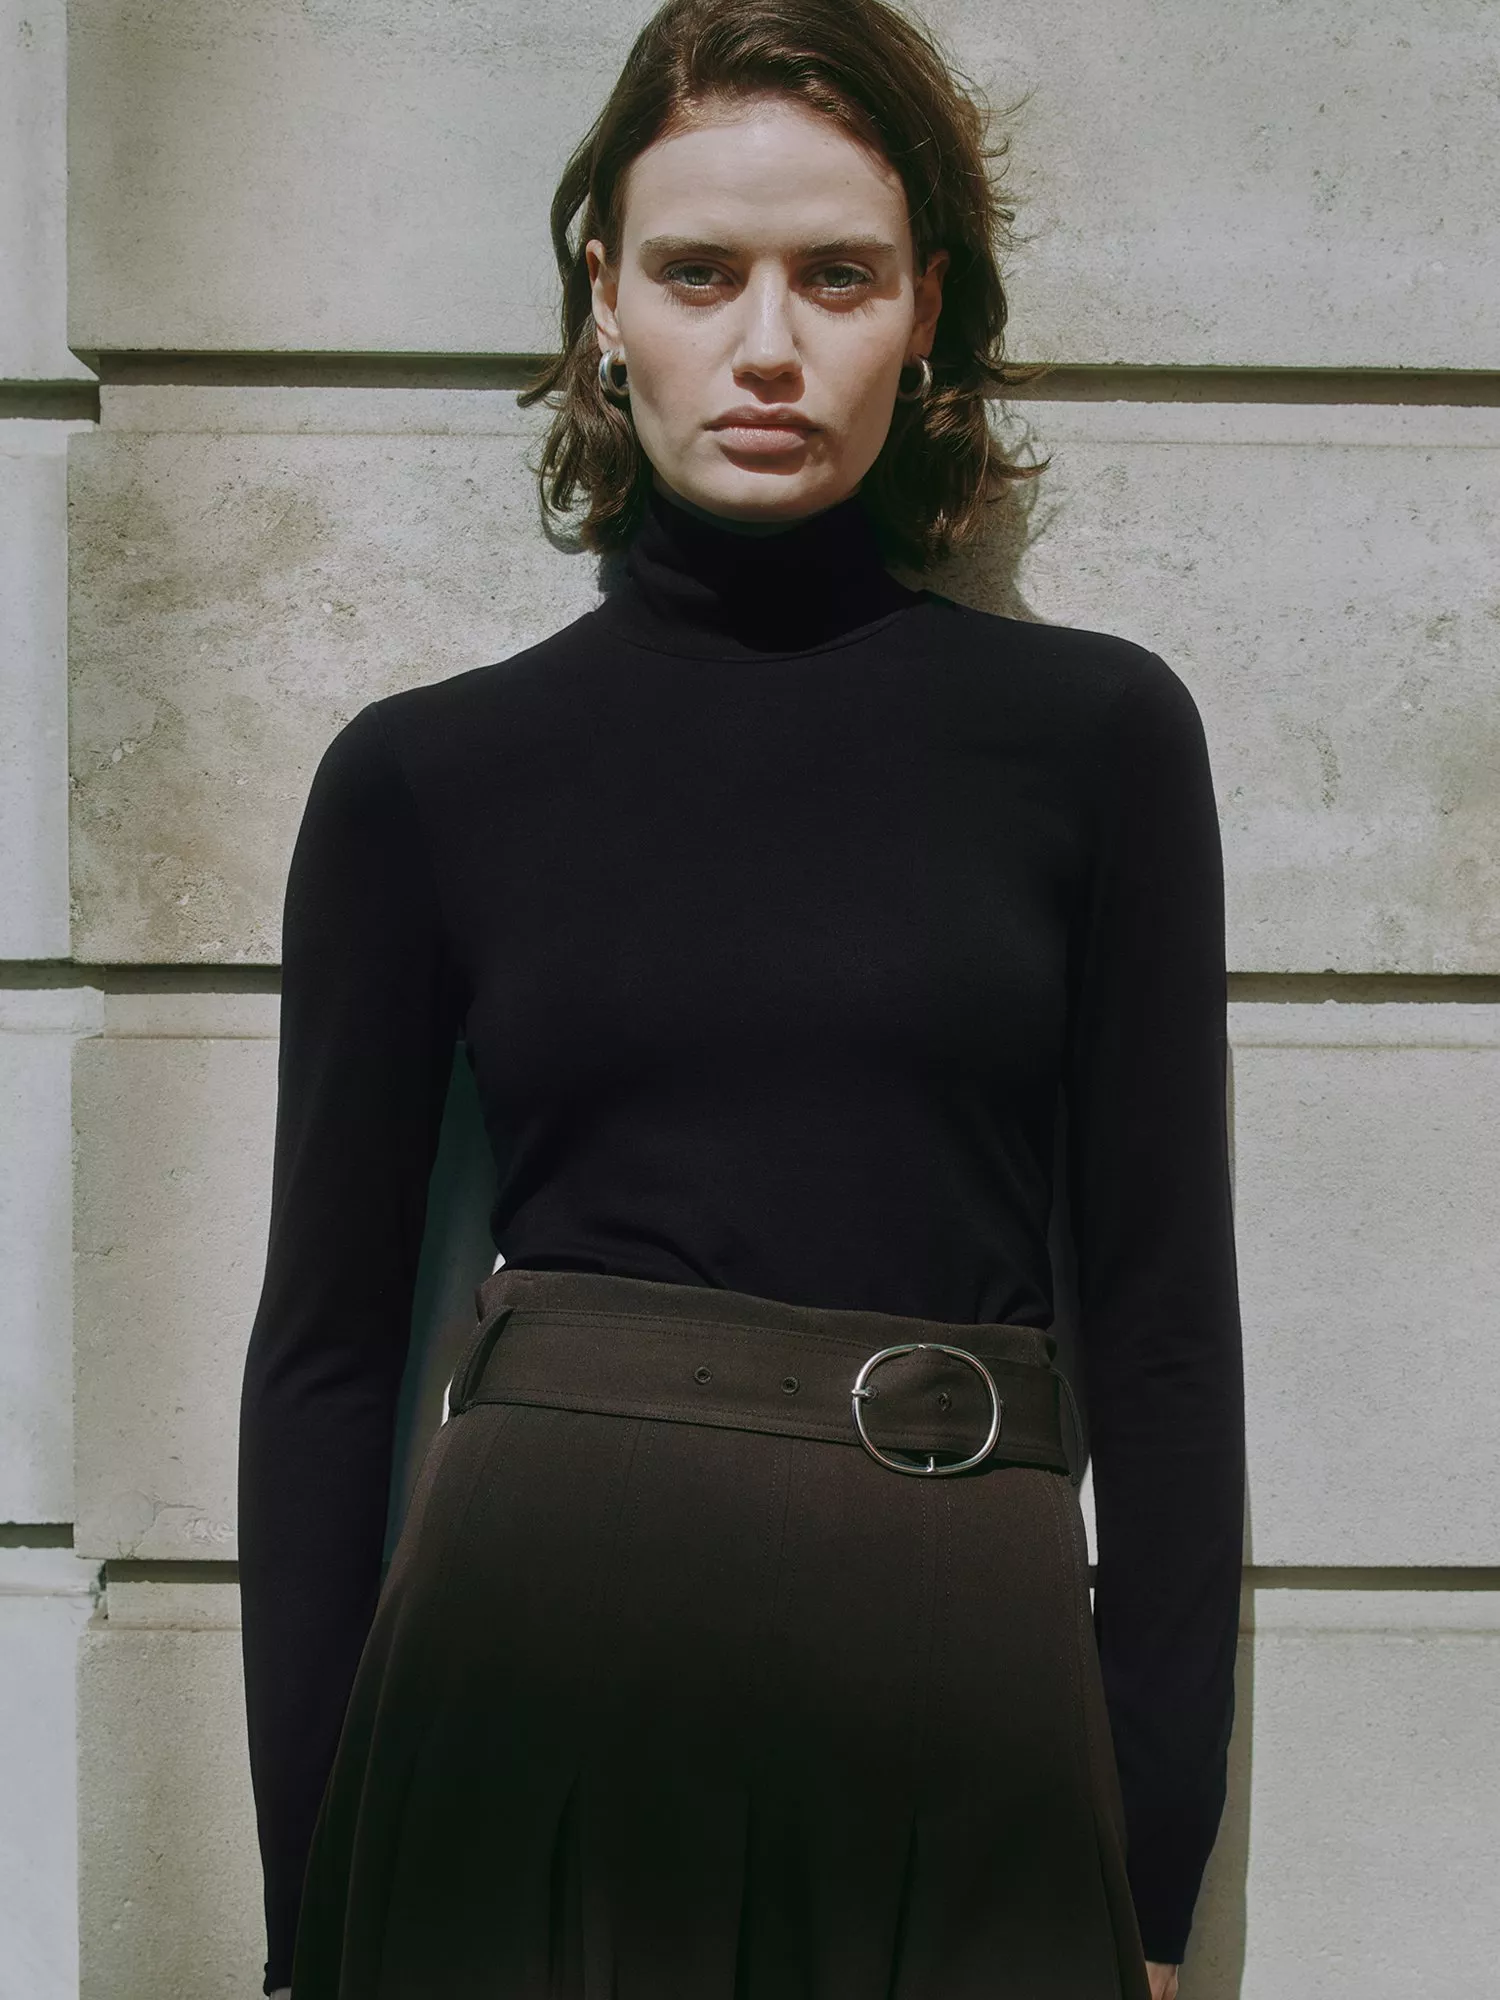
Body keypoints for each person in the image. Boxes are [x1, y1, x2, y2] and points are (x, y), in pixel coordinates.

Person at [237, 2, 1246, 1996]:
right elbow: (326, 1355)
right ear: (603, 299)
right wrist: (308, 1896)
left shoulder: (1101, 741)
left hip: (968, 1676)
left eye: (836, 276)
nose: (768, 344)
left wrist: (1148, 1854)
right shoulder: (426, 777)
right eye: (701, 271)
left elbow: (1163, 1326)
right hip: (525, 1676)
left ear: (926, 308)